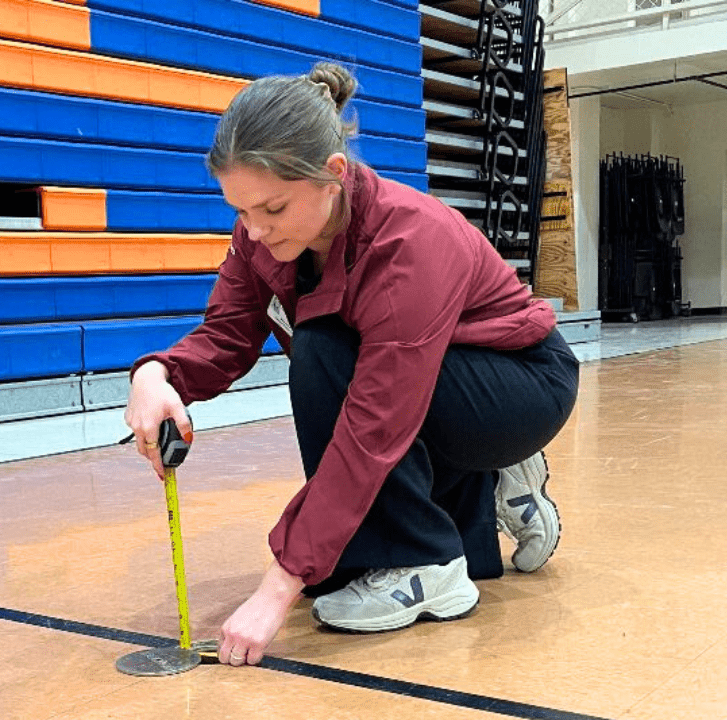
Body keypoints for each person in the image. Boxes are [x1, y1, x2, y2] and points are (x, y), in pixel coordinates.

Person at [124, 62, 579, 667]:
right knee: (338, 558)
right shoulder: (261, 234)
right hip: (435, 377)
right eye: (241, 212)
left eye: (272, 209)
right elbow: (227, 333)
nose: (254, 232)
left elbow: (374, 426)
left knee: (323, 348)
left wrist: (278, 584)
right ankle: (481, 487)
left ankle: (427, 562)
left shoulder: (409, 242)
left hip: (519, 385)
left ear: (332, 175)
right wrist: (156, 376)